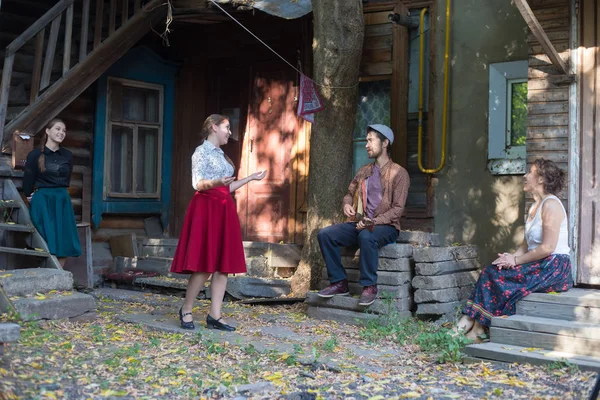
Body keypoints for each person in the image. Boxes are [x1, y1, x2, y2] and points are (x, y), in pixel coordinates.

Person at [455, 158, 572, 340]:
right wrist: (510, 257)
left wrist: (516, 261)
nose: (524, 176)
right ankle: (472, 324)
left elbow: (547, 248)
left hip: (553, 267)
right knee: (494, 270)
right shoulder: (534, 206)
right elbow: (526, 244)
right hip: (540, 262)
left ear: (541, 179)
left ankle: (472, 327)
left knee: (494, 276)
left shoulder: (551, 205)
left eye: (530, 172)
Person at [171, 114, 266, 331]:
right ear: (214, 127)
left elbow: (226, 188)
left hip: (224, 208)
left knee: (222, 266)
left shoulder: (222, 155)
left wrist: (251, 178)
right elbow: (198, 184)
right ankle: (186, 308)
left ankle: (215, 315)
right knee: (204, 265)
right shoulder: (201, 152)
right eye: (227, 128)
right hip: (206, 209)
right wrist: (216, 182)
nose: (230, 132)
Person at [317, 124, 410, 306]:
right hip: (360, 223)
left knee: (367, 237)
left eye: (370, 140)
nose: (366, 144)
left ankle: (369, 286)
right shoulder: (364, 171)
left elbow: (398, 209)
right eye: (366, 140)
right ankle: (339, 282)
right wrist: (346, 205)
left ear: (385, 143)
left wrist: (373, 221)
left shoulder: (400, 173)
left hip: (386, 226)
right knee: (325, 234)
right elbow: (349, 194)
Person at [23, 118, 82, 266]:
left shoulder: (67, 155)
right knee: (45, 237)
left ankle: (59, 277)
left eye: (64, 130)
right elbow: (27, 183)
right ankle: (45, 276)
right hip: (42, 201)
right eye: (57, 129)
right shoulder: (35, 155)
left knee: (62, 239)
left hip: (62, 200)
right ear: (48, 131)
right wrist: (34, 198)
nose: (61, 132)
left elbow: (66, 180)